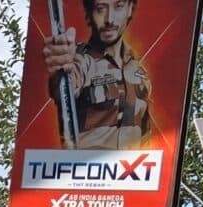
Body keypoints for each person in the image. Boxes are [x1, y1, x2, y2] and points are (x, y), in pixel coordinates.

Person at [41, 0, 152, 148]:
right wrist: (60, 67)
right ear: (88, 14)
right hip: (85, 168)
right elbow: (64, 86)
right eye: (100, 9)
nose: (109, 19)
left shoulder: (137, 69)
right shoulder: (81, 60)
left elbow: (146, 132)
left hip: (132, 169)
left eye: (118, 6)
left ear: (130, 9)